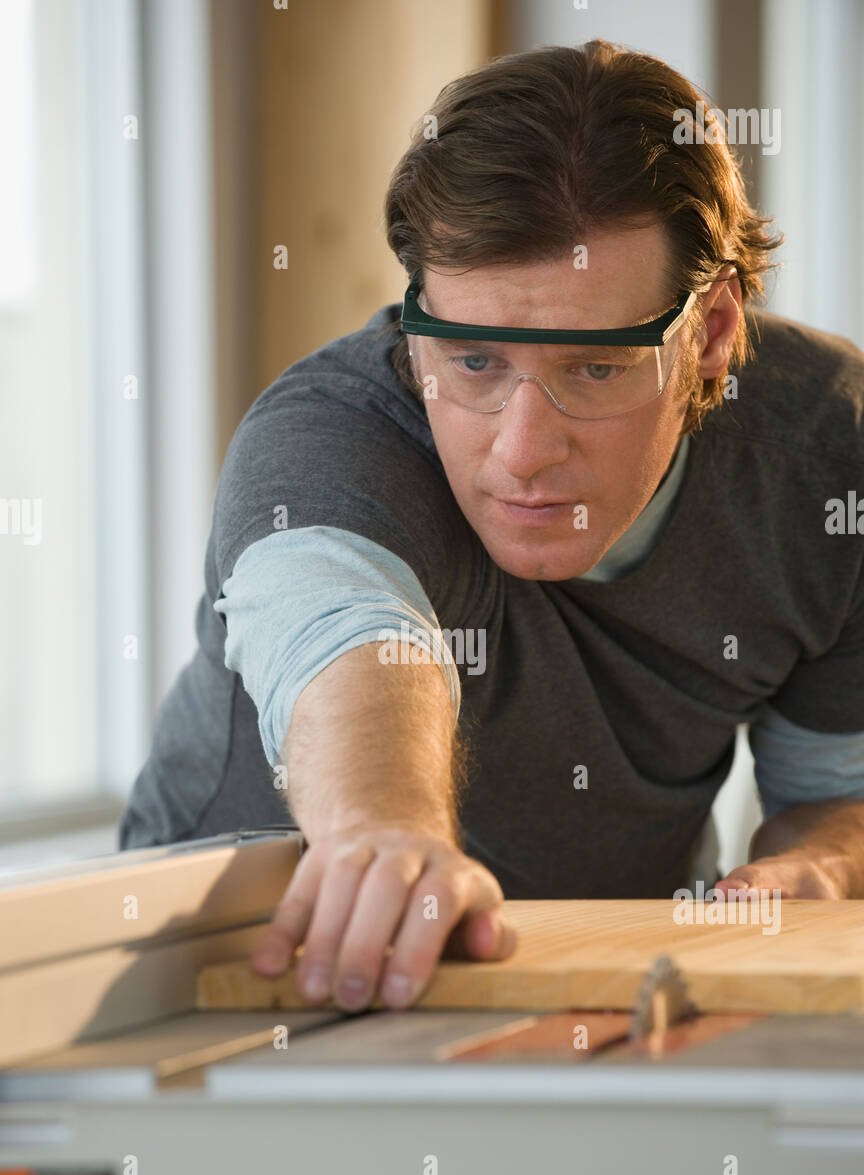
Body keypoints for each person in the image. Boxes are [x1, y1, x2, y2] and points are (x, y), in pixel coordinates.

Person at [119, 40, 864, 1013]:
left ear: (712, 333)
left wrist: (818, 864)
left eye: (592, 369)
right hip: (202, 998)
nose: (519, 452)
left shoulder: (825, 454)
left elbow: (827, 790)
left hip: (596, 1001)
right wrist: (388, 832)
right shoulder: (324, 440)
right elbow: (352, 650)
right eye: (472, 362)